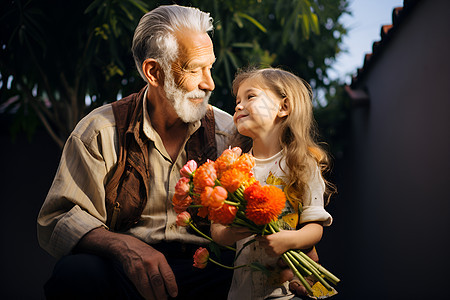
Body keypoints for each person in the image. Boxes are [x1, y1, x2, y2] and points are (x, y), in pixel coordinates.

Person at [37, 5, 236, 300]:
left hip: (210, 266)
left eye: (210, 67)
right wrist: (123, 246)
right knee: (75, 274)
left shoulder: (228, 132)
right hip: (126, 271)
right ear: (153, 72)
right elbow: (58, 218)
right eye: (194, 69)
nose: (210, 83)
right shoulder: (100, 130)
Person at [211, 67, 334, 300]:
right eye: (237, 100)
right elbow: (216, 230)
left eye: (250, 96)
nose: (238, 106)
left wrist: (289, 240)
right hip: (242, 293)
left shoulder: (302, 164)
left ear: (283, 107)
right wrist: (234, 230)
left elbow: (315, 228)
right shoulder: (234, 167)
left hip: (289, 291)